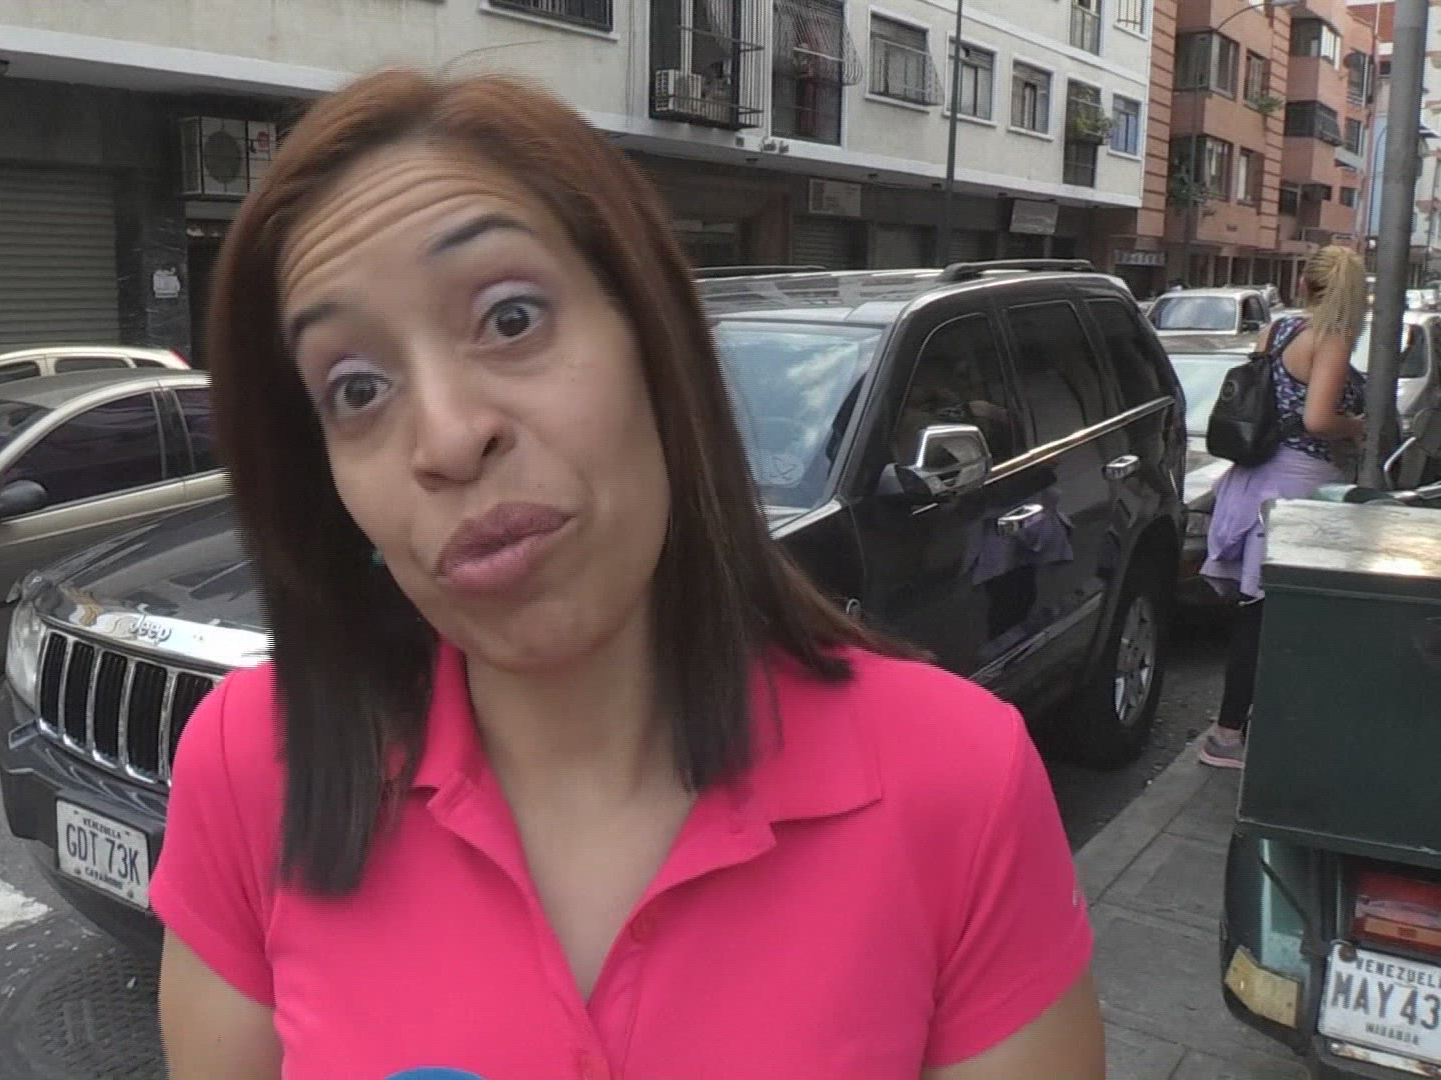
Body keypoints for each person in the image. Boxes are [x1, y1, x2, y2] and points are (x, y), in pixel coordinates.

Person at [151, 69, 1103, 1079]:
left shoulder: (959, 782)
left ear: (654, 341)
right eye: (355, 389)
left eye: (511, 319)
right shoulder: (250, 765)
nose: (449, 438)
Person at [1198, 244, 1371, 769]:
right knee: (1276, 617)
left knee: (1258, 614)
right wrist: (1358, 426)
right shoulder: (1331, 337)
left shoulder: (1279, 330)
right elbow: (1318, 419)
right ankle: (1230, 734)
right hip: (1297, 486)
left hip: (1254, 477)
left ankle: (1234, 728)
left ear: (1303, 284)